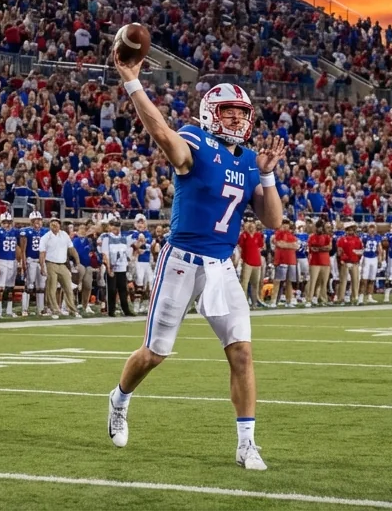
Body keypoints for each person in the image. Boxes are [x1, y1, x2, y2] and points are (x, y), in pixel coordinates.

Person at [105, 67, 285, 471]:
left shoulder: (254, 162)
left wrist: (270, 174)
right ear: (209, 114)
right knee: (154, 354)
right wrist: (133, 83)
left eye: (242, 113)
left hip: (222, 267)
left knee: (241, 352)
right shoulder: (194, 140)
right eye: (228, 111)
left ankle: (246, 443)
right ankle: (119, 399)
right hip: (181, 261)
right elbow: (163, 135)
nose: (237, 119)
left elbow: (272, 221)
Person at [39, 218, 77, 318]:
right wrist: (42, 266)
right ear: (49, 226)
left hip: (62, 264)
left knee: (68, 288)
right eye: (52, 224)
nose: (54, 226)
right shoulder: (45, 237)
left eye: (56, 224)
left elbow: (71, 248)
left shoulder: (64, 235)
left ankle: (72, 310)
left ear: (59, 225)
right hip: (50, 264)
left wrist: (77, 261)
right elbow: (42, 253)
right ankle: (54, 310)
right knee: (52, 288)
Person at [0, 212, 21, 318]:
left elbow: (18, 247)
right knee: (1, 288)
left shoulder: (15, 232)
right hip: (2, 260)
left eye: (8, 222)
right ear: (1, 222)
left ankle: (9, 310)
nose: (7, 224)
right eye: (4, 222)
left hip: (13, 261)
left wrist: (19, 260)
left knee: (11, 287)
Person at [20, 210, 49, 316]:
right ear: (31, 221)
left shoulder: (46, 231)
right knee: (29, 285)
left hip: (42, 261)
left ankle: (40, 309)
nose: (37, 222)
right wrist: (23, 263)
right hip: (31, 260)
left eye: (39, 220)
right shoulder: (26, 231)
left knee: (41, 286)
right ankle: (24, 309)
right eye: (35, 220)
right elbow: (23, 249)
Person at [102, 218, 132, 317]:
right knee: (112, 289)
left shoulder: (123, 238)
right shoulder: (106, 238)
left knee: (123, 289)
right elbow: (105, 253)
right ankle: (111, 310)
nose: (116, 228)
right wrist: (109, 268)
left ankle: (126, 310)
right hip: (112, 267)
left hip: (122, 267)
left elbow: (127, 253)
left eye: (117, 226)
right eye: (114, 226)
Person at [236, 219, 266, 309]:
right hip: (247, 262)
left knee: (255, 284)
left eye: (253, 226)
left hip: (257, 262)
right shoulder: (244, 235)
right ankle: (243, 304)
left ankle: (254, 303)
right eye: (250, 226)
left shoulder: (258, 235)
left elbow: (262, 246)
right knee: (244, 284)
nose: (252, 227)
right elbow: (240, 246)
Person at [129, 214, 155, 313]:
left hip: (147, 261)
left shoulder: (148, 234)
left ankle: (146, 303)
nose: (140, 224)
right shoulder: (134, 234)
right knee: (139, 282)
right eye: (139, 222)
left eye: (142, 222)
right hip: (138, 261)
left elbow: (149, 248)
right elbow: (136, 247)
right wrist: (139, 244)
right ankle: (136, 304)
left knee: (150, 282)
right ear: (135, 224)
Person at [270, 222, 299, 308]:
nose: (286, 226)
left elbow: (296, 246)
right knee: (277, 281)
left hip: (291, 261)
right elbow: (279, 244)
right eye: (284, 225)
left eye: (287, 225)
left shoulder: (291, 235)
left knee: (289, 282)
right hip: (281, 260)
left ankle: (288, 301)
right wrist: (290, 245)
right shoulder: (278, 234)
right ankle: (273, 301)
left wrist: (285, 245)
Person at [305, 219, 332, 307]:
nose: (320, 229)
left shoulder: (327, 237)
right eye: (319, 227)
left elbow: (329, 247)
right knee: (313, 281)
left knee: (324, 282)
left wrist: (319, 248)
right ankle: (309, 299)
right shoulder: (312, 237)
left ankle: (322, 299)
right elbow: (312, 248)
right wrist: (322, 248)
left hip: (325, 262)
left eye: (321, 227)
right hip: (315, 262)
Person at [336, 221, 362, 306]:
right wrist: (343, 260)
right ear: (346, 230)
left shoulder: (357, 239)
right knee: (343, 281)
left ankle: (355, 298)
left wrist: (357, 257)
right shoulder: (342, 239)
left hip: (354, 262)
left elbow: (361, 250)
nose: (351, 231)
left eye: (352, 229)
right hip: (345, 263)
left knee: (355, 281)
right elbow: (339, 252)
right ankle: (341, 298)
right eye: (349, 230)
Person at [358, 221, 380, 304]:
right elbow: (360, 245)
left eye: (373, 227)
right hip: (366, 258)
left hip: (374, 258)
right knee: (364, 279)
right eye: (370, 227)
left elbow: (379, 248)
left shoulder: (378, 237)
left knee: (372, 279)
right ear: (368, 228)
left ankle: (369, 297)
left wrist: (380, 259)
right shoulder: (364, 236)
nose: (372, 229)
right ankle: (360, 297)